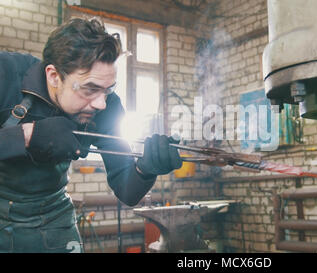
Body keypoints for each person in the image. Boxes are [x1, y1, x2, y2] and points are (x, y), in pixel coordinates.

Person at [0, 18, 182, 253]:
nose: (101, 104)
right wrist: (28, 135)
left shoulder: (108, 107)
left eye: (108, 89)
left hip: (53, 217)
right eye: (90, 89)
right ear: (54, 76)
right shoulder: (6, 74)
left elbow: (127, 191)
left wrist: (146, 169)